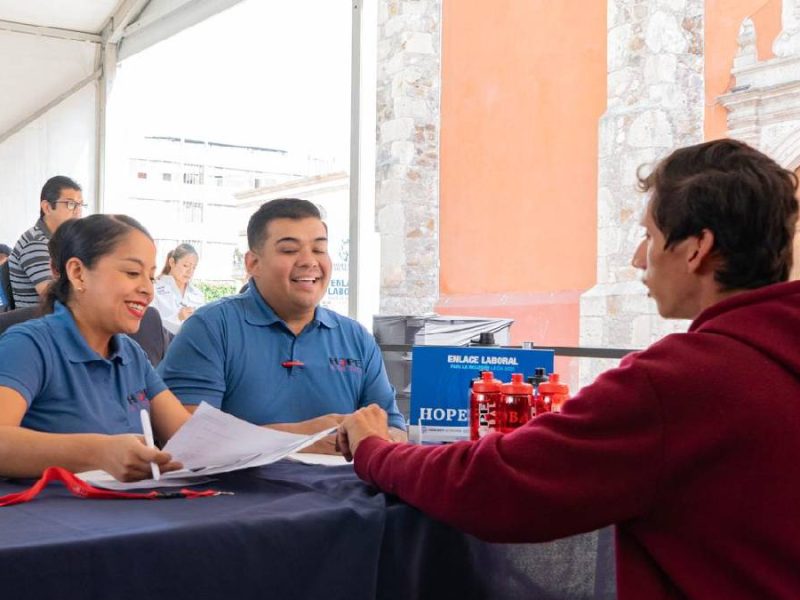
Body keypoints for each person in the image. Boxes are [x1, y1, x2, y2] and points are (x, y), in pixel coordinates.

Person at [337, 139, 800, 599]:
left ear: (698, 248)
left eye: (650, 237)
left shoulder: (678, 380)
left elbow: (496, 487)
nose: (639, 257)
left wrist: (375, 451)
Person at [159, 198, 407, 454]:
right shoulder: (211, 328)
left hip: (346, 491)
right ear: (253, 264)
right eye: (289, 250)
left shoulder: (356, 338)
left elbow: (393, 427)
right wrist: (305, 437)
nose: (309, 261)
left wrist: (386, 439)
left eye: (319, 249)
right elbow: (186, 438)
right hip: (242, 493)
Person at [0, 214, 190, 482]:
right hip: (57, 517)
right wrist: (98, 453)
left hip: (136, 514)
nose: (148, 290)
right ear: (78, 273)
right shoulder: (28, 345)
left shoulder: (131, 354)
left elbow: (189, 437)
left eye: (150, 276)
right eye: (133, 273)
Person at [8, 176, 85, 308]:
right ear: (47, 207)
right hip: (39, 323)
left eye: (80, 204)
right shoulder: (35, 243)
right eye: (70, 204)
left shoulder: (61, 240)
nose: (78, 211)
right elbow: (51, 296)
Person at [151, 243, 205, 335]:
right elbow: (150, 325)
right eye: (186, 265)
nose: (190, 272)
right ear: (172, 262)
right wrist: (178, 317)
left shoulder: (198, 295)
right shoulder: (154, 289)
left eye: (194, 267)